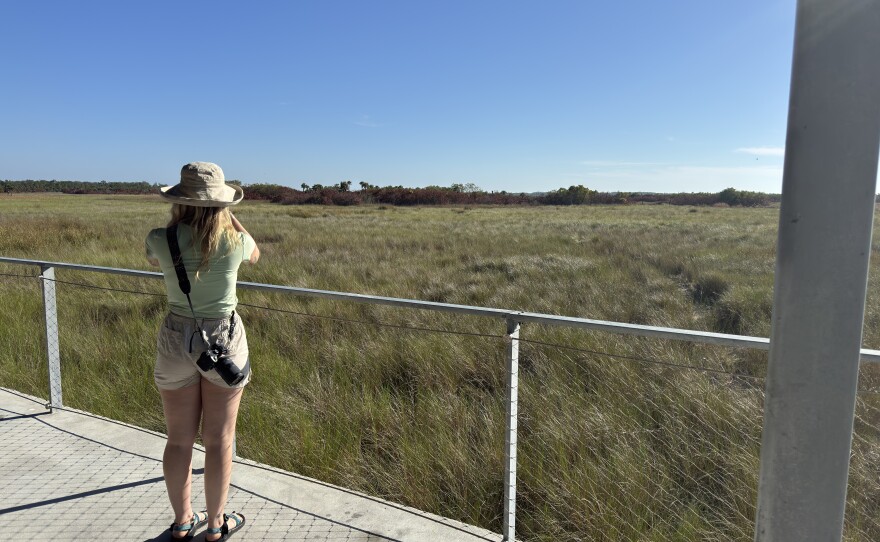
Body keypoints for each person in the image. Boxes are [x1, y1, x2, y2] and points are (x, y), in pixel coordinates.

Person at [145, 162, 259, 541]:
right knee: (219, 440)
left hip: (176, 336)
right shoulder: (235, 242)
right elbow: (255, 252)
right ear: (222, 203)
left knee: (178, 440)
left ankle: (181, 522)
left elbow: (151, 257)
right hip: (224, 339)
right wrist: (231, 217)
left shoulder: (161, 238)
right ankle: (215, 525)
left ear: (179, 199)